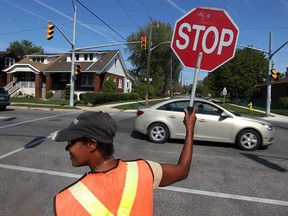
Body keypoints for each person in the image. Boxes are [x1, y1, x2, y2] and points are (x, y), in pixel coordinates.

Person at [50, 108, 197, 216]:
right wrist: (190, 129)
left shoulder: (65, 200)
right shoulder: (144, 170)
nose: (67, 148)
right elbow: (183, 170)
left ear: (92, 145)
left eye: (71, 142)